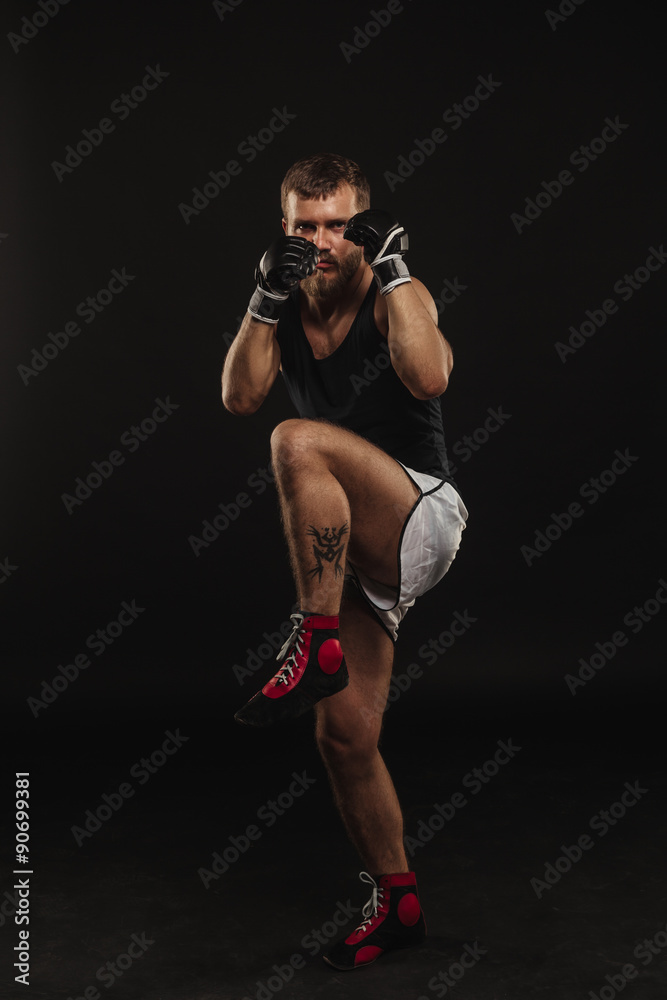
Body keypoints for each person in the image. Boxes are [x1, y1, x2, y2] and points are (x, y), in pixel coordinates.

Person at [221, 152, 468, 971]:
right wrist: (263, 300)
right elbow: (239, 395)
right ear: (283, 227)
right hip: (359, 555)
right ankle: (397, 904)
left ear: (360, 225)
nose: (321, 242)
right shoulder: (283, 305)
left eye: (336, 225)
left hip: (419, 512)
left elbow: (428, 377)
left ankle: (313, 636)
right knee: (344, 736)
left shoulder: (394, 288)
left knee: (296, 441)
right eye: (304, 226)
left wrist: (395, 269)